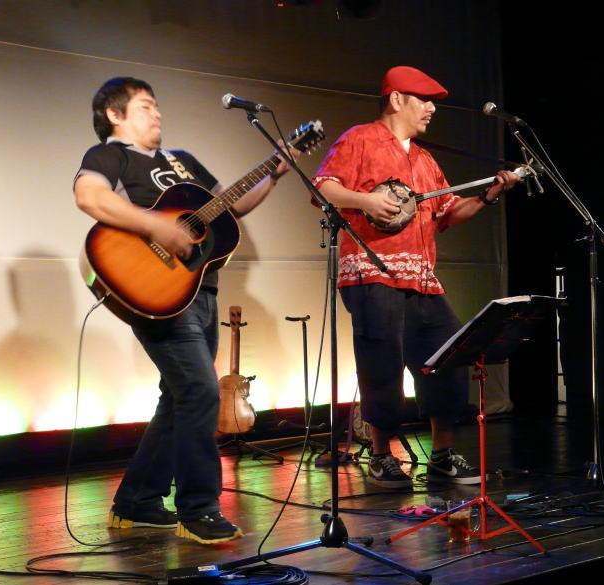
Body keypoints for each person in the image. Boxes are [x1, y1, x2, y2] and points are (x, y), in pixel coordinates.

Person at [73, 77, 291, 543]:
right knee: (200, 391)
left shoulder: (182, 161)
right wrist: (155, 226)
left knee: (178, 398)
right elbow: (89, 196)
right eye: (145, 106)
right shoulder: (110, 156)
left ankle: (136, 502)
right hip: (157, 292)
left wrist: (272, 173)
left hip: (200, 290)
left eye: (157, 106)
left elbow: (231, 206)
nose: (157, 114)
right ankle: (199, 509)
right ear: (115, 115)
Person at [312, 66, 518, 488]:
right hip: (372, 271)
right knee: (382, 364)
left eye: (432, 103)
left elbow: (447, 213)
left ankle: (441, 454)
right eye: (423, 100)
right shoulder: (359, 139)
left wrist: (488, 195)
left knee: (448, 358)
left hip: (421, 278)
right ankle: (381, 454)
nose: (431, 109)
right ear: (396, 100)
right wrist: (365, 200)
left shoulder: (424, 159)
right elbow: (323, 187)